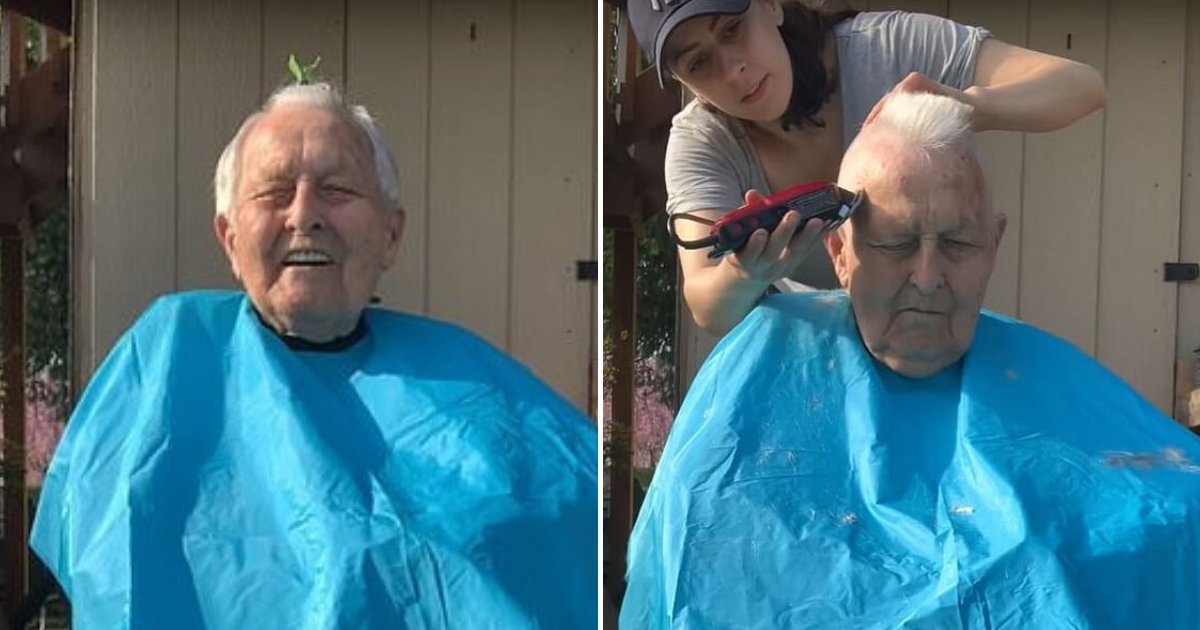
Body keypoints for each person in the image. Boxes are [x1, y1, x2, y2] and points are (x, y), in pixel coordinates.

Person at [620, 92, 1200, 628]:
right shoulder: (758, 371)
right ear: (840, 252)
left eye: (959, 244)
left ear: (994, 246)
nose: (927, 279)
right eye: (895, 244)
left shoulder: (1051, 378)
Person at [30, 83, 598, 629]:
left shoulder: (474, 382)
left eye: (338, 190)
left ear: (391, 234)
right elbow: (100, 553)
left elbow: (573, 521)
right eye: (274, 192)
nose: (305, 215)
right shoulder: (165, 360)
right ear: (230, 238)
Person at [627, 0, 1107, 334]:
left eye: (732, 31)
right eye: (699, 63)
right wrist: (746, 273)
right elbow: (706, 302)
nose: (733, 69)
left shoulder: (891, 47)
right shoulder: (700, 143)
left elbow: (1080, 86)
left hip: (942, 331)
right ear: (682, 82)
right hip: (824, 359)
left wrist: (964, 105)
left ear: (770, 5)